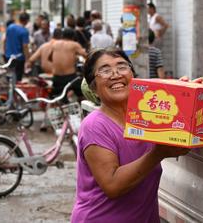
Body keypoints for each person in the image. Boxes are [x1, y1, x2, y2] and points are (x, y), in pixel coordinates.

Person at [71, 47, 188, 222]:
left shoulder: (146, 117)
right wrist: (158, 153)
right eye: (104, 70)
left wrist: (188, 93)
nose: (115, 74)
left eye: (122, 66)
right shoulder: (95, 125)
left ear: (133, 76)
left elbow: (182, 133)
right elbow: (112, 185)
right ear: (93, 88)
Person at [4, 12, 30, 81]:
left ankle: (9, 90)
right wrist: (27, 59)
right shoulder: (24, 31)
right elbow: (25, 46)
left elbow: (5, 40)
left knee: (9, 77)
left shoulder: (10, 27)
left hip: (8, 56)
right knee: (17, 78)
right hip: (19, 58)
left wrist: (5, 52)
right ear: (27, 21)